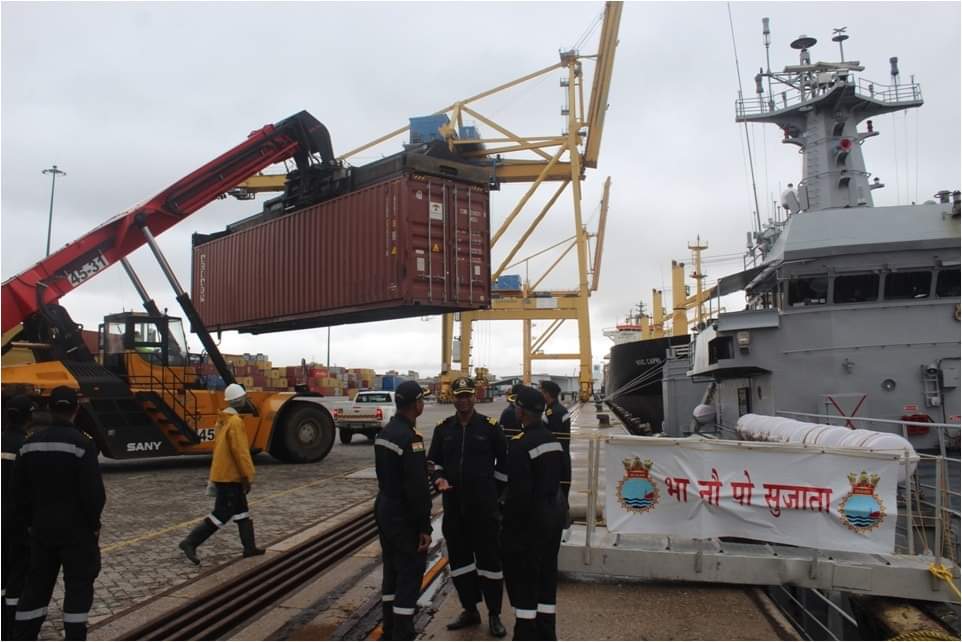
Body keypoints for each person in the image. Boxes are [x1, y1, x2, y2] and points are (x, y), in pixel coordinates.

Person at [13, 387, 105, 641]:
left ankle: (23, 634)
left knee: (36, 586)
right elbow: (94, 494)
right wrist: (93, 525)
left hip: (41, 530)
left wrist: (29, 523)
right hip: (76, 532)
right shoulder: (83, 444)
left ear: (49, 409)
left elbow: (18, 491)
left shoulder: (29, 445)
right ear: (76, 410)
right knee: (78, 586)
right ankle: (74, 636)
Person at [427, 378, 508, 638]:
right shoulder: (444, 429)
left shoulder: (490, 427)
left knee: (490, 563)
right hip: (454, 507)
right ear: (453, 398)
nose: (463, 400)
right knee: (461, 562)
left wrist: (492, 493)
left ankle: (494, 614)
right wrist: (438, 477)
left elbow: (504, 465)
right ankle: (470, 609)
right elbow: (434, 461)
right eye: (458, 396)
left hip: (484, 509)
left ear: (474, 397)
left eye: (467, 395)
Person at [501, 385, 567, 641]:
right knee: (547, 578)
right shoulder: (552, 440)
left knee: (525, 581)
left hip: (529, 524)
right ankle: (547, 634)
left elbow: (518, 494)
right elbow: (561, 478)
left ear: (522, 412)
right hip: (552, 518)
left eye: (517, 406)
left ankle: (525, 634)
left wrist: (508, 529)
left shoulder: (520, 445)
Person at [179, 383, 264, 565]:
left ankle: (249, 548)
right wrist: (247, 476)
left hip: (222, 473)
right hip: (230, 476)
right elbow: (240, 452)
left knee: (241, 511)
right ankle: (190, 542)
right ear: (240, 400)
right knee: (221, 514)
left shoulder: (222, 419)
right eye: (244, 398)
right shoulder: (235, 422)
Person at [374, 380, 432, 641]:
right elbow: (418, 490)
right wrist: (424, 527)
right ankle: (403, 633)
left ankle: (388, 628)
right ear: (416, 404)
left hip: (385, 508)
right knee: (409, 574)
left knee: (391, 571)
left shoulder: (385, 433)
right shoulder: (412, 439)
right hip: (404, 514)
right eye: (422, 401)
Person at [2, 395, 36, 638]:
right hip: (16, 524)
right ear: (29, 418)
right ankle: (10, 626)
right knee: (16, 577)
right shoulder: (25, 447)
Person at [540, 380, 572, 503]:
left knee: (557, 498)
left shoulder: (553, 413)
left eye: (541, 391)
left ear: (547, 394)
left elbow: (553, 440)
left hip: (556, 460)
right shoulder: (560, 410)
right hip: (563, 457)